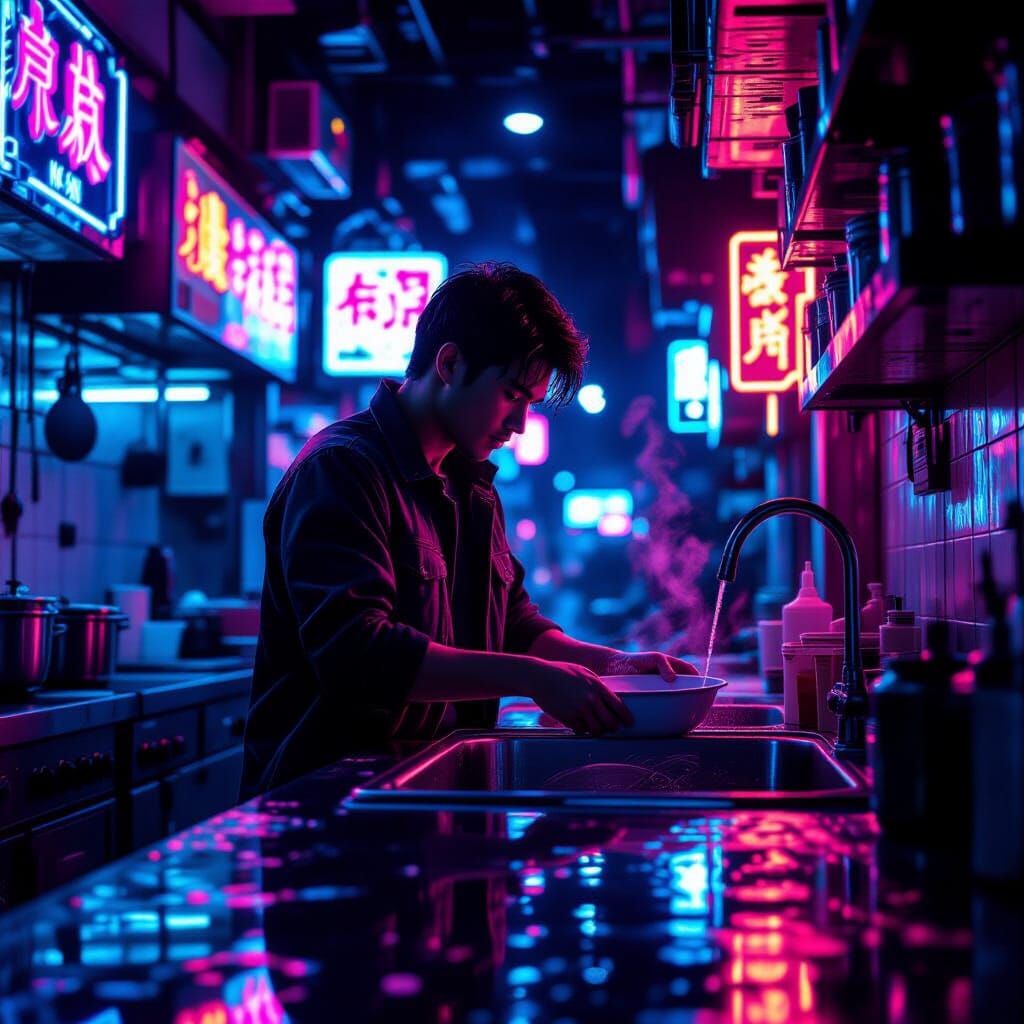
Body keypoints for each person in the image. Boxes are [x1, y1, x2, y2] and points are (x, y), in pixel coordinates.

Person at [241, 263, 696, 797]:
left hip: (426, 788)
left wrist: (612, 664)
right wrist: (530, 678)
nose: (521, 423)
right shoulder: (342, 469)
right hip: (329, 798)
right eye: (512, 395)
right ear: (451, 363)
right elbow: (358, 654)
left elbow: (516, 626)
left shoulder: (471, 487)